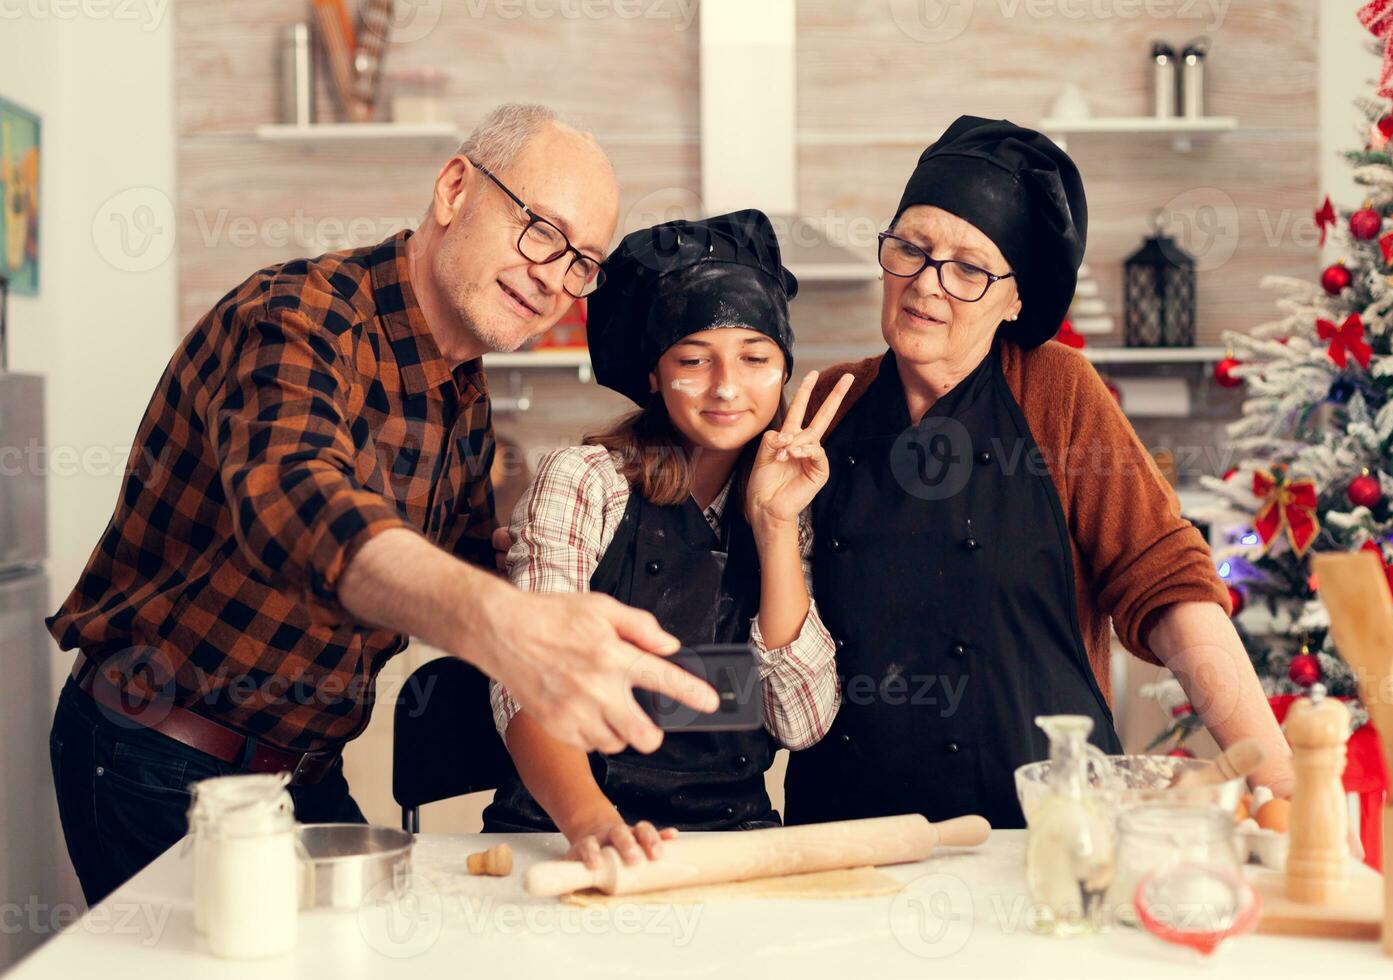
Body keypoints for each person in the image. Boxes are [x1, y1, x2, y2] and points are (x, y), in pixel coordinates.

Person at [45, 103, 717, 904]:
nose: (553, 277)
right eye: (540, 227)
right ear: (455, 188)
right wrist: (505, 625)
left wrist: (558, 578)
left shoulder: (461, 389)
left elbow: (469, 560)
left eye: (583, 261)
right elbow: (294, 505)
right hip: (158, 757)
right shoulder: (298, 316)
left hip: (299, 776)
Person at [783, 116, 1295, 829]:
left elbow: (1165, 581)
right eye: (911, 247)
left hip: (1046, 829)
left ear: (1015, 300)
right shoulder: (827, 404)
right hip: (852, 835)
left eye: (969, 268)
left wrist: (1279, 784)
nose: (928, 283)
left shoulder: (1057, 391)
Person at [482, 211, 852, 868]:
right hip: (564, 835)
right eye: (694, 359)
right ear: (653, 375)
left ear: (783, 369)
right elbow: (530, 683)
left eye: (755, 358)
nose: (727, 386)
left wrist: (772, 527)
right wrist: (596, 827)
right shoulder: (586, 481)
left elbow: (803, 721)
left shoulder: (789, 500)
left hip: (729, 841)